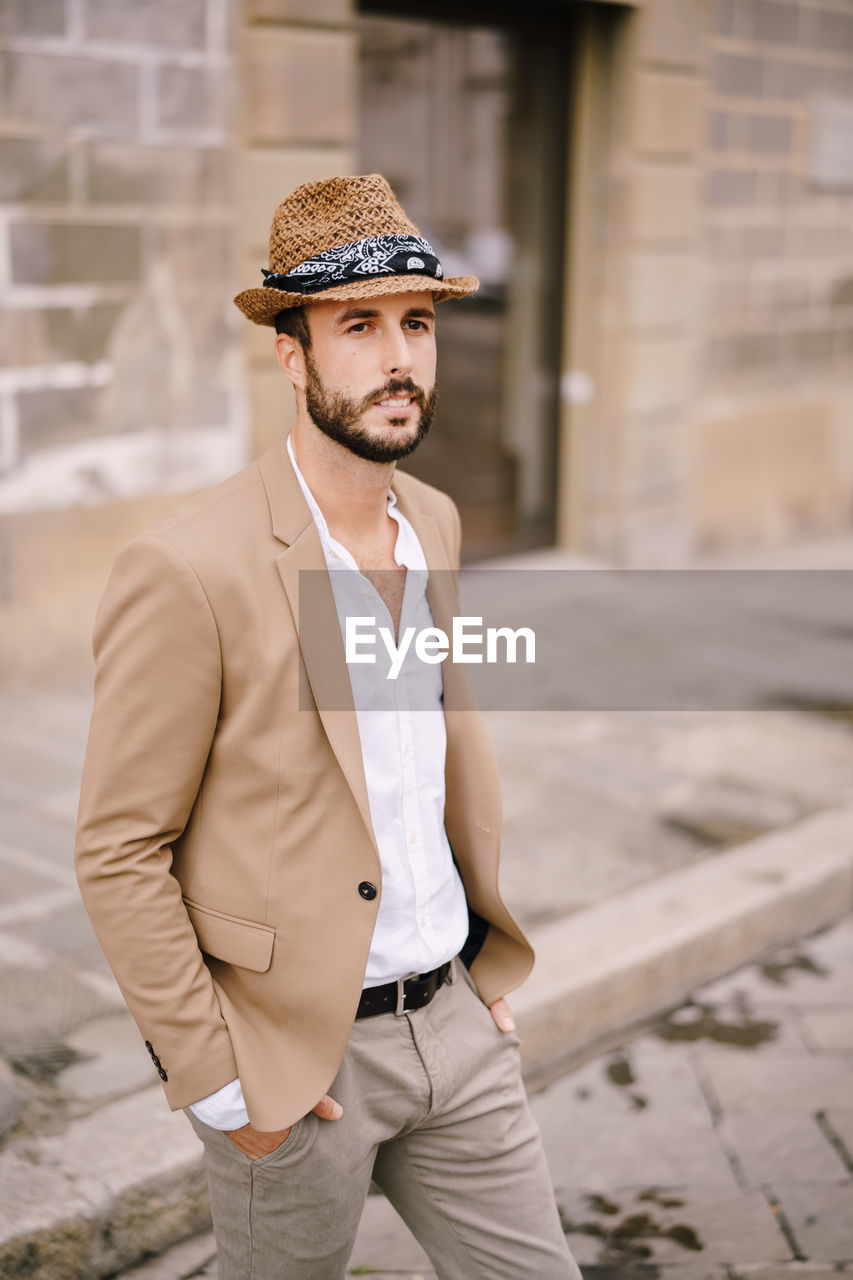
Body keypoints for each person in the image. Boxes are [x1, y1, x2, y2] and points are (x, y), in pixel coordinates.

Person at [75, 174, 580, 1280]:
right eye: (358, 326)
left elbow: (422, 755)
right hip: (297, 1057)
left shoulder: (434, 521)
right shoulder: (189, 568)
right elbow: (118, 847)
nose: (399, 357)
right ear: (291, 355)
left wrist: (479, 972)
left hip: (454, 1020)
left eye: (417, 322)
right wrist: (218, 1078)